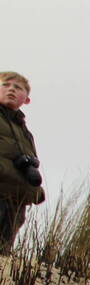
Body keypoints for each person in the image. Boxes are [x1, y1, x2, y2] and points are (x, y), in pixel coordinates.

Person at [0, 71, 44, 253]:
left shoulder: (25, 132)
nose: (11, 89)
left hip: (16, 198)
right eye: (5, 85)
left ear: (26, 100)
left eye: (18, 87)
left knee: (3, 251)